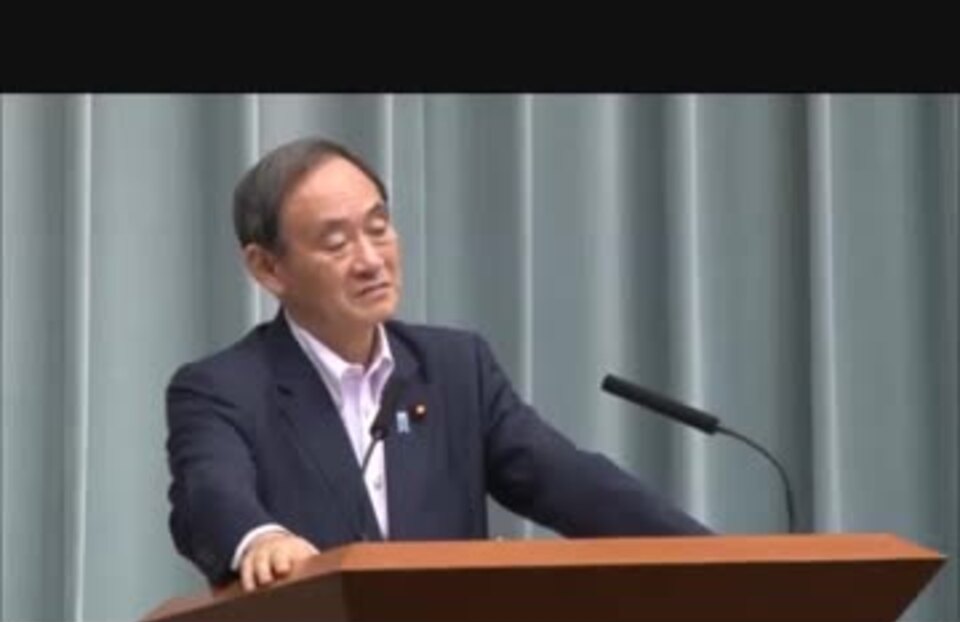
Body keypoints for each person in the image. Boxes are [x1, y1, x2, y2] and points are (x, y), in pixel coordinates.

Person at [164, 135, 713, 592]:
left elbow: (571, 483)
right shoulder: (221, 388)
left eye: (378, 228)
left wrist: (714, 558)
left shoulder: (454, 368)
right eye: (336, 243)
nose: (371, 260)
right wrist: (261, 538)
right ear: (268, 268)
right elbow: (208, 492)